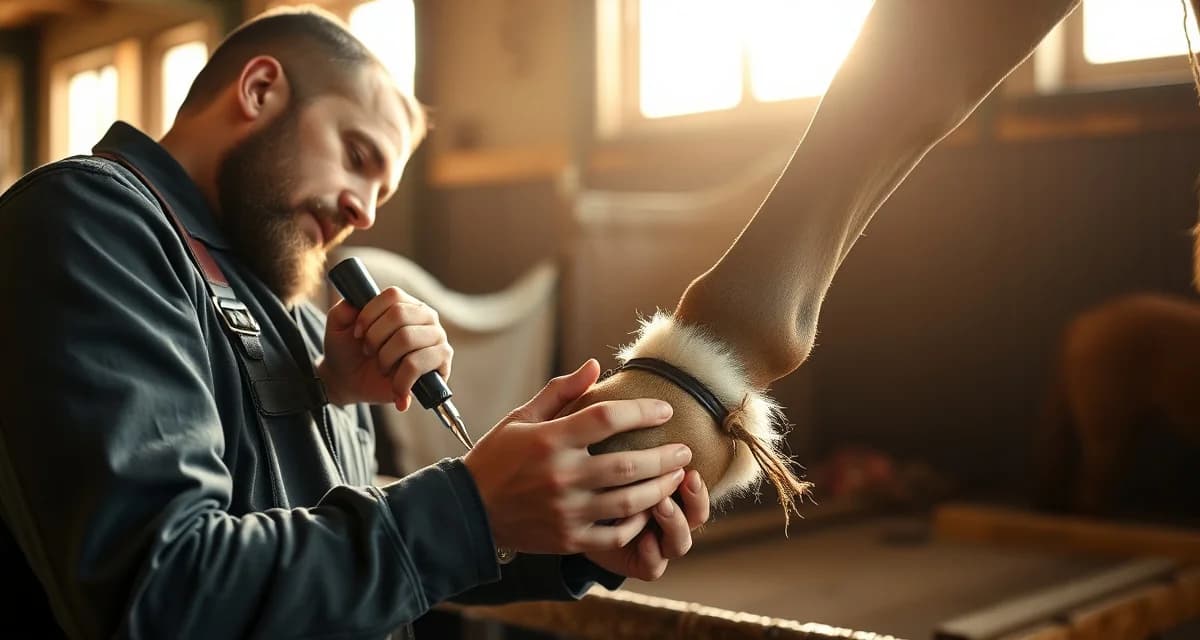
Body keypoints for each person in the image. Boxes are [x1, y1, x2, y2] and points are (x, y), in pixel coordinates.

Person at [0, 7, 709, 639]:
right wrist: (473, 506)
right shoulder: (91, 221)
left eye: (383, 190)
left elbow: (352, 579)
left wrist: (562, 536)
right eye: (358, 156)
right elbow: (166, 593)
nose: (365, 213)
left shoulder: (308, 330)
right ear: (259, 91)